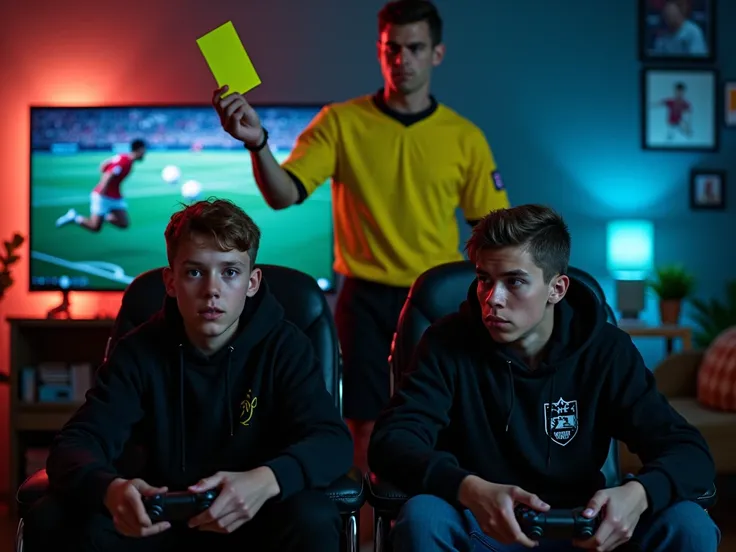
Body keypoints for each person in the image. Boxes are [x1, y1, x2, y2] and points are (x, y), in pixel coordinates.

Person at [211, 0, 510, 474]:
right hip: (365, 297)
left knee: (444, 422)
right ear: (379, 50)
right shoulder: (340, 121)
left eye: (415, 48)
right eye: (393, 48)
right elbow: (283, 194)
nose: (403, 59)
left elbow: (493, 231)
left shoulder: (464, 137)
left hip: (437, 300)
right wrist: (259, 143)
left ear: (437, 53)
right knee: (364, 427)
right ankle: (368, 537)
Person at [368, 204, 719, 551]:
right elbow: (393, 441)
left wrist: (640, 493)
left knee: (688, 523)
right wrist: (468, 488)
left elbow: (688, 452)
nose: (493, 299)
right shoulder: (446, 342)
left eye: (514, 282)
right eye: (484, 280)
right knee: (424, 517)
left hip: (586, 530)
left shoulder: (607, 350)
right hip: (485, 525)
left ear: (557, 289)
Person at [41, 198, 353, 551]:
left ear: (252, 283)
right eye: (194, 272)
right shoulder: (138, 351)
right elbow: (75, 444)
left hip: (255, 515)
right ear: (170, 282)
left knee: (312, 516)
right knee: (55, 516)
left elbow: (332, 441)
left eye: (230, 272)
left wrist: (268, 479)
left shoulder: (285, 346)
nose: (212, 290)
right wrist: (110, 490)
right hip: (157, 522)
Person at [55, 139, 147, 232]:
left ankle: (104, 217)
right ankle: (74, 217)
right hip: (104, 196)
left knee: (124, 223)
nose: (145, 154)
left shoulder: (124, 158)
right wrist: (102, 191)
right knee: (95, 227)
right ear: (139, 150)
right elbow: (109, 174)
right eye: (144, 151)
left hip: (115, 196)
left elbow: (103, 165)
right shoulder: (125, 161)